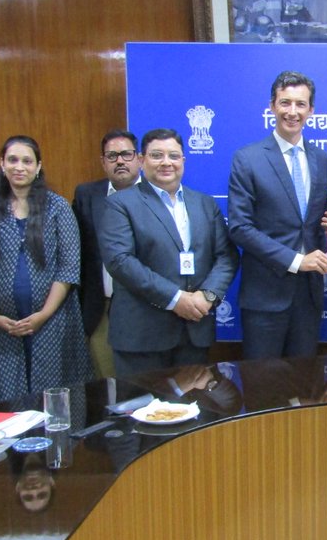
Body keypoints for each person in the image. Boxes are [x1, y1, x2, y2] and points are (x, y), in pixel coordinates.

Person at [99, 129, 239, 375]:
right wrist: (176, 299)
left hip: (193, 332)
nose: (166, 162)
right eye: (157, 155)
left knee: (195, 411)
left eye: (173, 156)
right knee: (141, 412)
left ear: (183, 161)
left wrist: (207, 296)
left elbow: (226, 255)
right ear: (142, 160)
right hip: (142, 338)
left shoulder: (204, 203)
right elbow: (120, 261)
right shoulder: (119, 204)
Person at [227, 70, 327, 359]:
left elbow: (317, 223)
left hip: (308, 297)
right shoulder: (248, 159)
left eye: (300, 104)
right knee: (264, 388)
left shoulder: (321, 159)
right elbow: (239, 227)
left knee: (303, 386)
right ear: (272, 106)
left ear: (311, 110)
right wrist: (297, 261)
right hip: (266, 295)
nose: (292, 112)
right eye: (285, 103)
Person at [0, 135, 91, 401]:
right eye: (13, 160)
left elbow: (68, 268)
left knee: (55, 396)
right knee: (9, 399)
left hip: (54, 320)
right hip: (3, 327)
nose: (20, 167)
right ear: (2, 164)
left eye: (27, 161)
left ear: (38, 166)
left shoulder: (58, 207)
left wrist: (43, 314)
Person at [73, 130, 141, 378]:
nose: (120, 161)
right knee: (107, 383)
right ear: (103, 162)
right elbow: (77, 250)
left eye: (126, 154)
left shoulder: (157, 195)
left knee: (146, 384)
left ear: (139, 159)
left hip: (146, 308)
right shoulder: (86, 196)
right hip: (102, 307)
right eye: (112, 156)